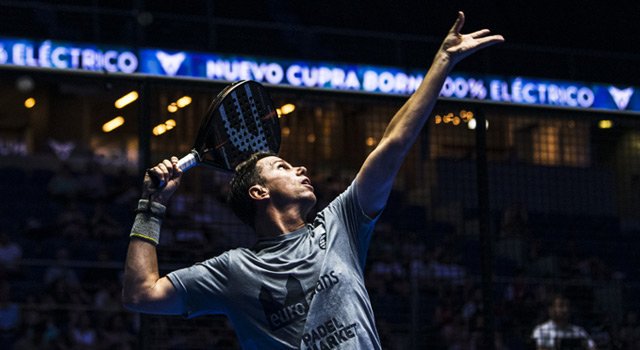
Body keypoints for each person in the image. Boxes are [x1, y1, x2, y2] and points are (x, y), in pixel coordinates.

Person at [122, 12, 503, 349]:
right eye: (283, 167)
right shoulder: (232, 271)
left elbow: (394, 144)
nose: (300, 168)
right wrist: (151, 207)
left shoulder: (342, 224)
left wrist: (442, 62)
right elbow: (141, 293)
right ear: (259, 191)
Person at [531, 293, 596, 350]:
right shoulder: (541, 330)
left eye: (567, 306)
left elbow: (592, 347)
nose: (565, 310)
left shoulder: (579, 331)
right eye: (561, 306)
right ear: (551, 310)